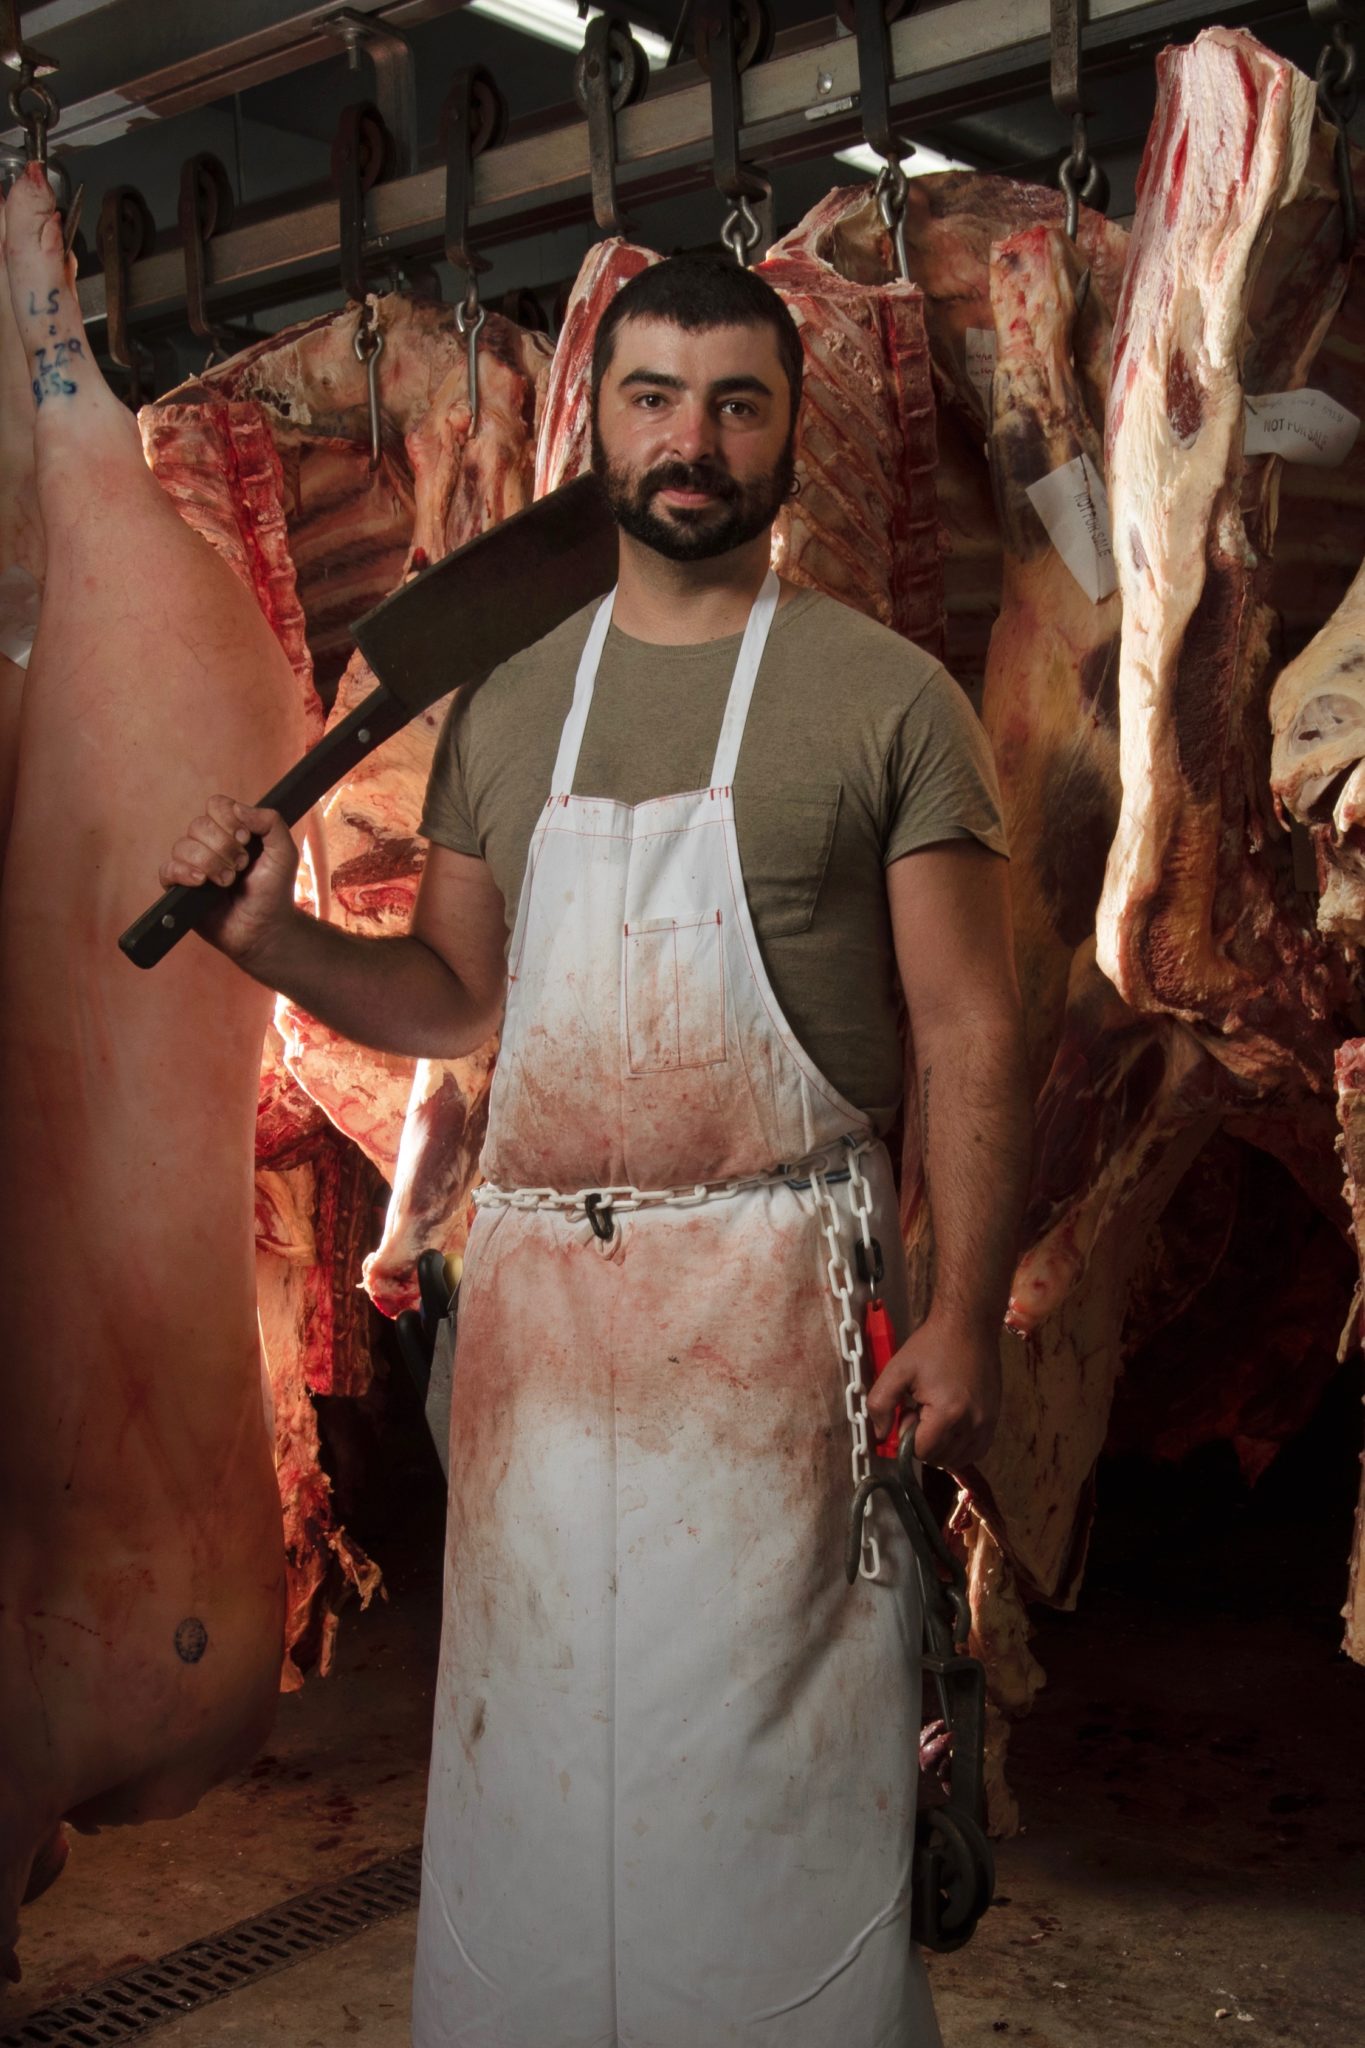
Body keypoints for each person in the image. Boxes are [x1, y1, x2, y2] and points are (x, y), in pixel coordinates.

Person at [162, 254, 1030, 2048]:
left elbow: (967, 1028)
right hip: (544, 1334)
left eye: (734, 402)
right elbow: (452, 999)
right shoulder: (509, 703)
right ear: (603, 427)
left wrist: (963, 1312)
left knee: (770, 1823)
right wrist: (272, 942)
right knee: (536, 1788)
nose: (690, 440)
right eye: (653, 399)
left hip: (773, 1316)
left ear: (792, 434)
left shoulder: (886, 701)